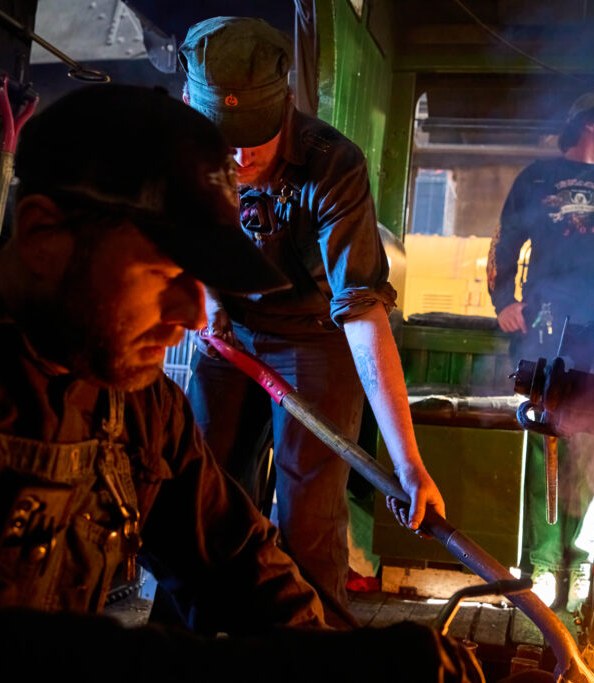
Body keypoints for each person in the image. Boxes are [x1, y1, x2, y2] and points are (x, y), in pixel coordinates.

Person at [0, 83, 482, 683]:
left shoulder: (138, 404)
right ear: (41, 236)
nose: (195, 316)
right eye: (164, 272)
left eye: (202, 280)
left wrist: (336, 652)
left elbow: (236, 558)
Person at [178, 16, 445, 612]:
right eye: (224, 137)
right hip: (233, 337)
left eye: (256, 134)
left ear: (288, 104)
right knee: (201, 494)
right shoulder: (184, 153)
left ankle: (310, 654)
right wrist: (213, 300)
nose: (240, 155)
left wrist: (407, 462)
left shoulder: (333, 166)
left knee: (308, 514)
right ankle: (186, 643)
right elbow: (185, 229)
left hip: (318, 339)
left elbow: (361, 312)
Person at [487, 91, 594, 612]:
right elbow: (505, 242)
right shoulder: (538, 176)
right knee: (544, 437)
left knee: (591, 444)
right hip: (547, 322)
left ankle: (577, 570)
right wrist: (502, 300)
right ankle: (537, 565)